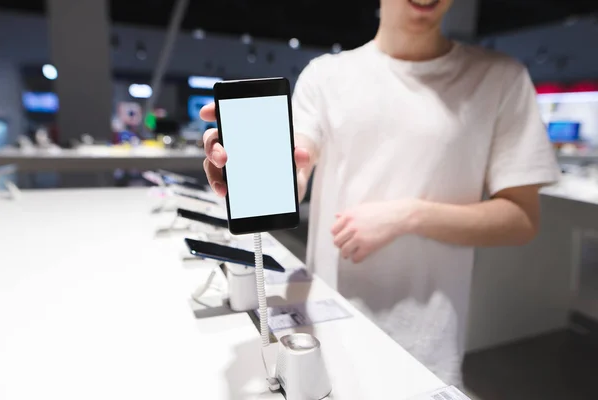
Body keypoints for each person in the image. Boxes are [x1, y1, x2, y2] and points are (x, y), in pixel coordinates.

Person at [200, 0, 560, 386]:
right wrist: (253, 173)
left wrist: (409, 215)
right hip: (325, 322)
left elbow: (521, 219)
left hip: (426, 340)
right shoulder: (326, 75)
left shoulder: (499, 78)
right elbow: (299, 159)